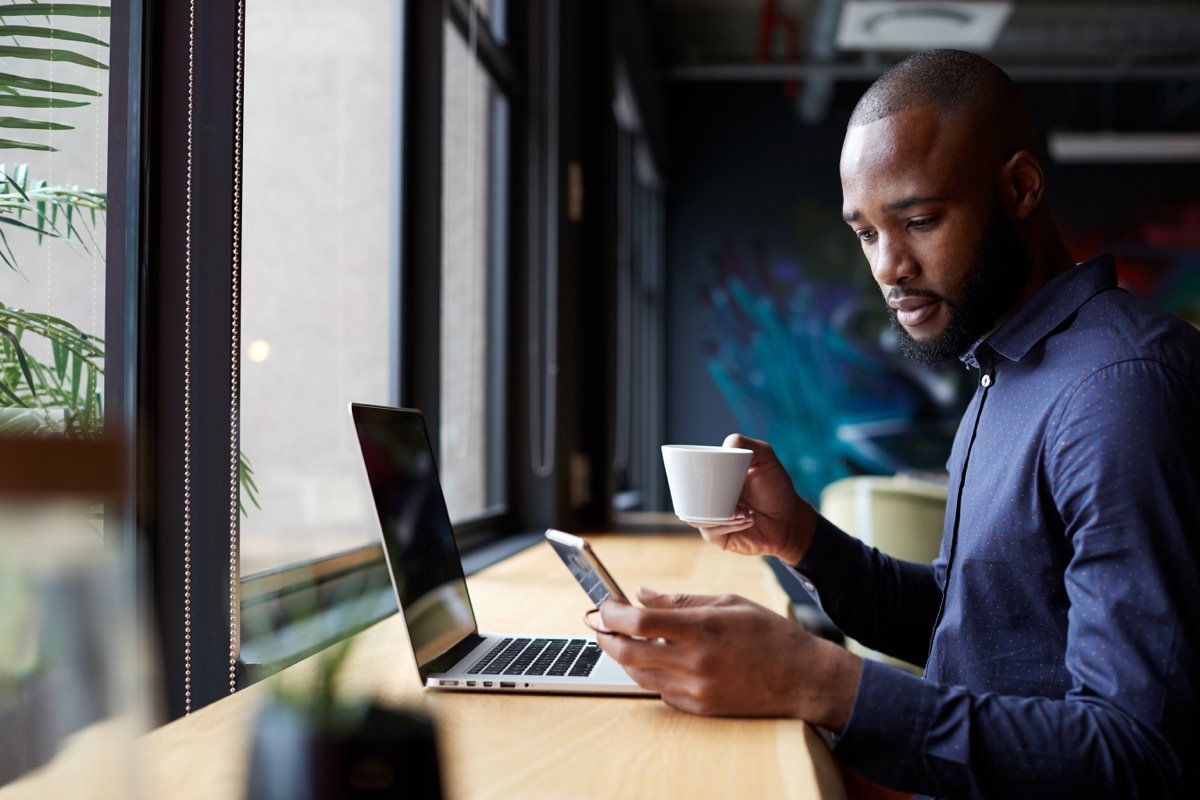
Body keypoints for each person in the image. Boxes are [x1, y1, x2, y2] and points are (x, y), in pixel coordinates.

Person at [595, 49, 1200, 799]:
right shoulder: (1008, 371)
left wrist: (819, 679)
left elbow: (1137, 757)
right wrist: (802, 540)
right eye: (867, 234)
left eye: (917, 220)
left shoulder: (1119, 393)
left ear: (1019, 188)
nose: (888, 267)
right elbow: (971, 625)